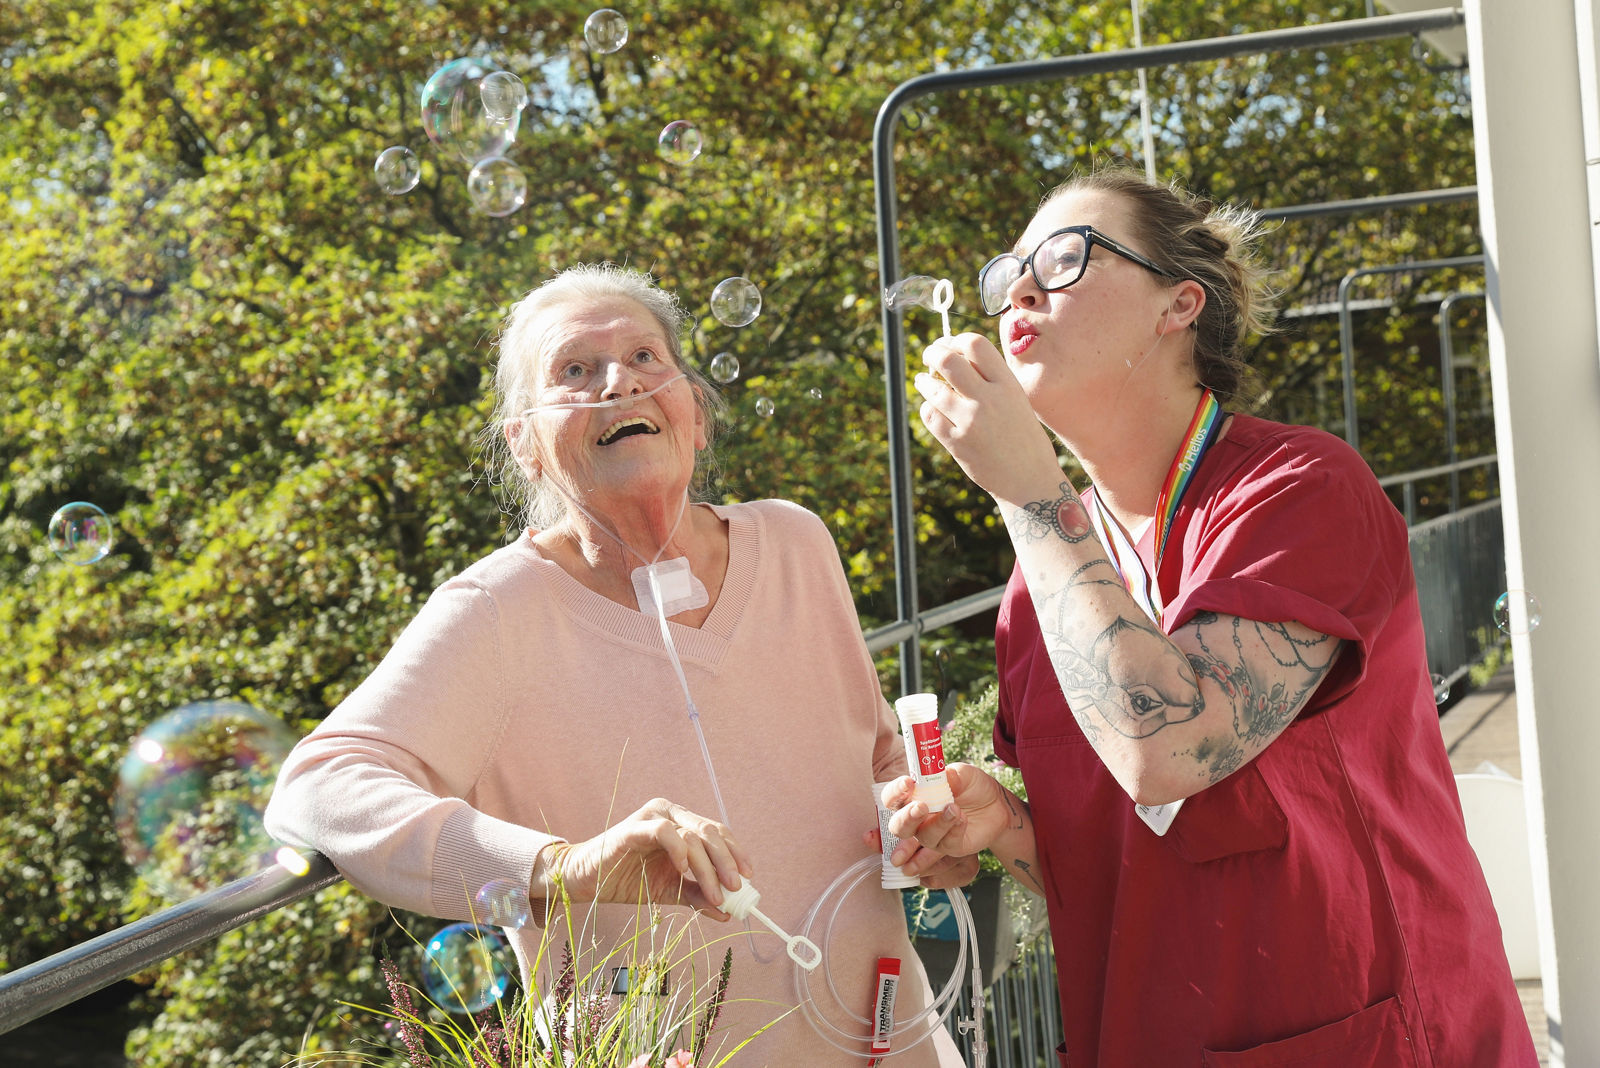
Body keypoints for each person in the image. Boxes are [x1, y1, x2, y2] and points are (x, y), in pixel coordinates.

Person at [886, 167, 1536, 1066]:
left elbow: (1165, 755)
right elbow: (1115, 857)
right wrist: (1006, 828)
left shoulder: (1300, 490)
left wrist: (1031, 496)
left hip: (1363, 1037)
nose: (1022, 289)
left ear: (1178, 304)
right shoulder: (1041, 586)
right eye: (1009, 274)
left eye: (1067, 258)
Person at [264, 264, 969, 1067]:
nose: (618, 383)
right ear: (524, 444)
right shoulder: (497, 610)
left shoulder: (798, 542)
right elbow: (319, 786)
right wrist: (565, 867)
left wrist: (919, 823)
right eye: (574, 371)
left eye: (644, 358)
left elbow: (873, 761)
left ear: (695, 414)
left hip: (892, 1042)